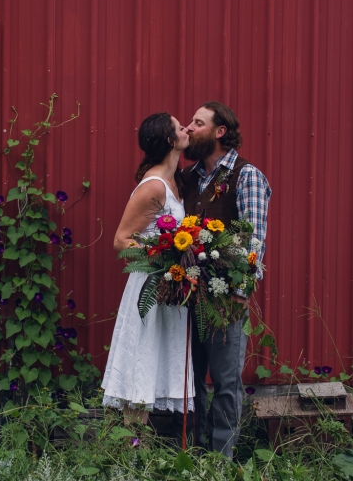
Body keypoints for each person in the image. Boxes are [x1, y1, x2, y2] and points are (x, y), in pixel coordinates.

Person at [181, 101, 271, 457]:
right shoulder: (187, 178)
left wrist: (238, 293)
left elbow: (254, 242)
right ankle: (194, 455)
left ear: (220, 132)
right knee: (190, 382)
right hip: (187, 296)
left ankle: (222, 462)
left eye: (198, 123)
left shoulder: (247, 176)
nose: (189, 128)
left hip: (225, 299)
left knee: (226, 383)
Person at [102, 112, 195, 425]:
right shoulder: (153, 186)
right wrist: (163, 257)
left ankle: (139, 446)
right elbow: (121, 240)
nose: (186, 129)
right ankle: (132, 447)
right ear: (170, 140)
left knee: (154, 360)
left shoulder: (175, 181)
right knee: (141, 363)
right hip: (150, 288)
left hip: (168, 288)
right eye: (180, 127)